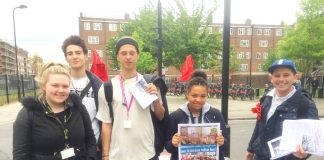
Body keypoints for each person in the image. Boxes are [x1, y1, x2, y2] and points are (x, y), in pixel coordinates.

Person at [96, 36, 165, 160]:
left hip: (147, 153)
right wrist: (105, 154)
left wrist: (155, 99)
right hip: (117, 155)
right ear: (117, 56)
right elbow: (106, 124)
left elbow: (160, 116)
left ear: (137, 55)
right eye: (123, 53)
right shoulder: (107, 87)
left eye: (132, 53)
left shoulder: (149, 83)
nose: (128, 57)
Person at [13, 62, 97, 160]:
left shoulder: (78, 107)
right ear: (43, 86)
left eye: (65, 86)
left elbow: (90, 139)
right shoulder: (28, 113)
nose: (61, 90)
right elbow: (20, 154)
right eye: (55, 85)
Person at [245, 59, 319, 160]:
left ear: (295, 77)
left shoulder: (305, 104)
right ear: (271, 78)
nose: (281, 79)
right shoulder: (266, 98)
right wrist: (250, 150)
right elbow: (259, 125)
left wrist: (301, 156)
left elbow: (312, 140)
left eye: (286, 75)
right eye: (277, 75)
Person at [165, 70, 229, 160]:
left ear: (207, 95)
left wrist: (222, 141)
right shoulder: (175, 116)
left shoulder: (216, 114)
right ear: (187, 94)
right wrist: (173, 143)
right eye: (194, 95)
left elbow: (226, 143)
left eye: (203, 96)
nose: (198, 100)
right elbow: (168, 146)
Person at [62, 35, 103, 157]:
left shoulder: (99, 85)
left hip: (94, 148)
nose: (74, 56)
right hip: (68, 149)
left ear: (85, 56)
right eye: (70, 53)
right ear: (66, 58)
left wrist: (101, 144)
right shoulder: (61, 85)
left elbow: (106, 118)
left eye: (78, 52)